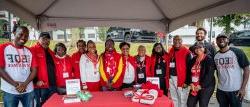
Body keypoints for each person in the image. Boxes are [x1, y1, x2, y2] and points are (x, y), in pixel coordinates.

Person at [0, 26, 37, 107]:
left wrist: (25, 84)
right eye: (20, 34)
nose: (23, 37)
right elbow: (0, 69)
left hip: (28, 90)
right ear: (14, 33)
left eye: (26, 36)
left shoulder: (29, 51)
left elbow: (34, 70)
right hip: (10, 90)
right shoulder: (3, 48)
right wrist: (16, 85)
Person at [214, 34, 250, 107]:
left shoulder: (237, 52)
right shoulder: (216, 55)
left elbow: (246, 69)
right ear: (216, 42)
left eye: (224, 38)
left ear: (228, 40)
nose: (221, 40)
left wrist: (243, 88)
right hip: (221, 90)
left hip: (236, 90)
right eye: (219, 39)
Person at [31, 32, 57, 107]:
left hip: (52, 85)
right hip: (40, 86)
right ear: (38, 39)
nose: (46, 41)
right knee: (41, 105)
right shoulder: (32, 50)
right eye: (43, 39)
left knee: (52, 105)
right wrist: (35, 81)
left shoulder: (51, 52)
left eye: (48, 39)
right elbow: (29, 67)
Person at [186, 43, 215, 107]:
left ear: (204, 49)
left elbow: (209, 75)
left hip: (206, 87)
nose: (198, 49)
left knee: (203, 104)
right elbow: (188, 73)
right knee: (190, 104)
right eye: (196, 47)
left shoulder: (209, 59)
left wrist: (200, 85)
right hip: (194, 86)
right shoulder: (193, 60)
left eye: (200, 47)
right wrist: (190, 83)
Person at [168, 36, 192, 107]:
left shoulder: (187, 52)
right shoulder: (171, 50)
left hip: (181, 79)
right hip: (171, 78)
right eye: (175, 40)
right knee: (174, 97)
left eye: (179, 40)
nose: (177, 41)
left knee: (182, 99)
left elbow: (190, 69)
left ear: (182, 41)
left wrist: (187, 82)